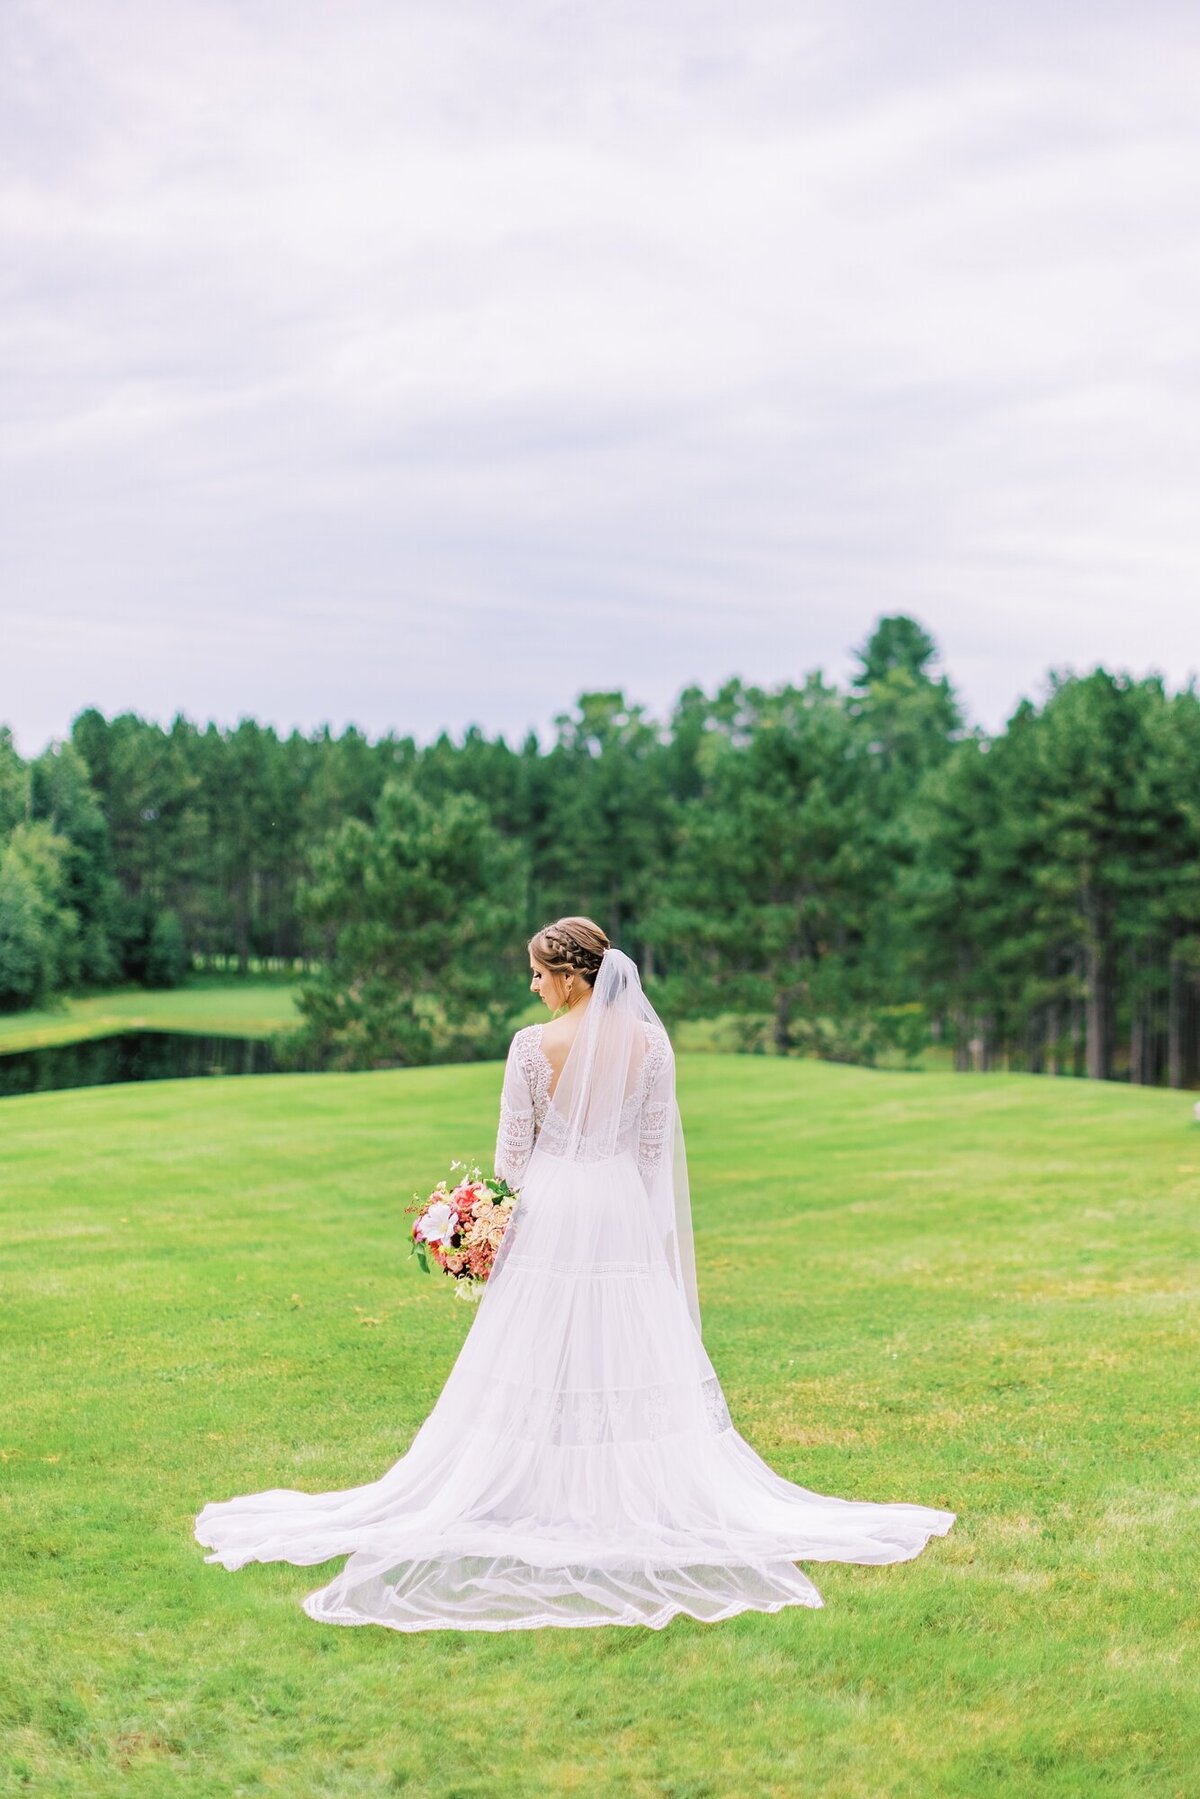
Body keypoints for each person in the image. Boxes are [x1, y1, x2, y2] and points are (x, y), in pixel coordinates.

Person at [195, 916, 955, 1630]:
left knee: (536, 1353)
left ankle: (531, 1484)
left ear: (569, 976)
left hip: (554, 1210)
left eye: (536, 973)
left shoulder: (531, 1048)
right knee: (620, 1350)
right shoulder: (654, 1048)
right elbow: (654, 1157)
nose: (531, 987)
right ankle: (615, 1489)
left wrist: (484, 1226)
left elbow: (510, 1163)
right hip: (620, 1208)